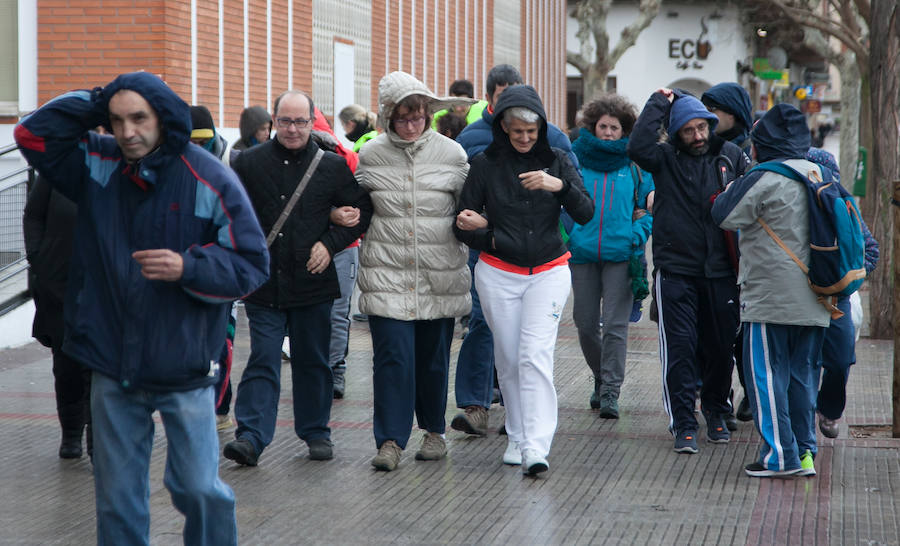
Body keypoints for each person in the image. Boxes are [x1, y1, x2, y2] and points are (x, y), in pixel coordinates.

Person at [14, 71, 270, 544]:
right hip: (111, 361)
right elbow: (31, 133)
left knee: (198, 489)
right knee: (117, 501)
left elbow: (252, 263)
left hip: (184, 362)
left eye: (139, 117)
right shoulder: (97, 161)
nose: (128, 131)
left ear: (163, 117)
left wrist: (187, 268)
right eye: (117, 120)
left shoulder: (208, 175)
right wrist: (100, 100)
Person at [225, 90, 372, 466]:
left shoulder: (331, 166)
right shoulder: (248, 163)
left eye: (301, 121)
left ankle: (316, 431)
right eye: (286, 121)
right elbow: (229, 214)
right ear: (274, 122)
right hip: (264, 282)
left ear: (312, 122)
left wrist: (331, 242)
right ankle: (251, 437)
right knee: (263, 358)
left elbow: (360, 211)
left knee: (313, 361)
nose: (293, 129)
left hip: (312, 282)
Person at [454, 84, 593, 475]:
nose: (525, 138)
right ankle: (516, 435)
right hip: (497, 272)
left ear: (542, 128)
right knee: (510, 359)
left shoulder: (560, 159)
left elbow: (585, 214)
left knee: (534, 357)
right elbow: (463, 224)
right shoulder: (484, 164)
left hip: (548, 272)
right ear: (503, 127)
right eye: (517, 131)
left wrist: (560, 186)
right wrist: (487, 232)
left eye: (531, 132)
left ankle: (536, 445)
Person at [356, 71, 471, 472]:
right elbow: (357, 207)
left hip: (438, 274)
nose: (412, 125)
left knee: (432, 359)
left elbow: (470, 206)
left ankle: (435, 432)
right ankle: (389, 440)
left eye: (419, 117)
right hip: (386, 273)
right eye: (403, 118)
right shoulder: (370, 155)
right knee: (392, 358)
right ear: (388, 117)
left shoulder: (452, 155)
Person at [711, 104, 830, 478]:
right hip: (819, 296)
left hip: (770, 299)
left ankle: (779, 457)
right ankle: (805, 452)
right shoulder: (820, 173)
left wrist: (734, 186)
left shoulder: (764, 176)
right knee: (802, 376)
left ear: (762, 143)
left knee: (766, 376)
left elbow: (724, 215)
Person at [627, 87, 749, 454]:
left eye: (702, 127)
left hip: (722, 271)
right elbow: (636, 146)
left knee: (719, 348)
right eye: (688, 130)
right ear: (676, 133)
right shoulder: (664, 158)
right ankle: (682, 422)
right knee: (680, 349)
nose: (697, 136)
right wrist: (659, 101)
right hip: (676, 270)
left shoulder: (731, 157)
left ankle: (715, 410)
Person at [568, 94, 654, 417]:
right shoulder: (577, 157)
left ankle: (610, 392)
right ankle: (601, 375)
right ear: (593, 126)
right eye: (602, 126)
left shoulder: (634, 163)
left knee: (616, 326)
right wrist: (569, 236)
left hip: (622, 256)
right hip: (582, 254)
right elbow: (562, 199)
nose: (607, 132)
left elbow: (648, 208)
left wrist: (635, 234)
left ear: (624, 130)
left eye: (613, 127)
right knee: (585, 322)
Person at [804, 147, 879, 439]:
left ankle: (830, 410)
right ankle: (803, 422)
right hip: (802, 299)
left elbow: (869, 249)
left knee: (839, 360)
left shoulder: (844, 207)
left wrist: (850, 277)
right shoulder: (796, 210)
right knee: (804, 363)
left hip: (838, 300)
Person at [23, 174, 91, 459]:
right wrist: (38, 258)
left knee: (102, 368)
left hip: (102, 287)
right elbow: (33, 215)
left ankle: (98, 442)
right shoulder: (55, 170)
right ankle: (71, 433)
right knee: (67, 365)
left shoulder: (121, 167)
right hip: (58, 283)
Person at [702, 81, 755, 429]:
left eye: (713, 112)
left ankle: (752, 392)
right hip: (714, 260)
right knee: (719, 337)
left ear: (731, 115)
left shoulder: (751, 153)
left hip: (748, 262)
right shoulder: (701, 148)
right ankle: (720, 400)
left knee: (743, 336)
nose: (706, 119)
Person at [311, 106, 362, 399]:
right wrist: (331, 215)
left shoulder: (349, 159)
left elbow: (358, 209)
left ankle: (334, 369)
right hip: (311, 245)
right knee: (318, 313)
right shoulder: (290, 159)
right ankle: (321, 369)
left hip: (344, 246)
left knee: (338, 312)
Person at [701, 83, 753, 152]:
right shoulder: (702, 148)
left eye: (711, 110)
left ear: (732, 113)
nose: (706, 116)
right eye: (704, 110)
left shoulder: (754, 153)